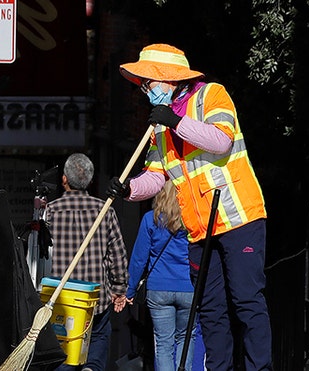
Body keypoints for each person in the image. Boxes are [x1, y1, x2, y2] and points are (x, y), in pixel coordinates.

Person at [109, 44, 270, 371]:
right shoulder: (159, 129)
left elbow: (221, 141)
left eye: (148, 83)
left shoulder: (211, 96)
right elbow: (155, 178)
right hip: (199, 229)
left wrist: (175, 121)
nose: (144, 91)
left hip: (238, 218)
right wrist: (128, 189)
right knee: (211, 310)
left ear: (169, 80)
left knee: (246, 302)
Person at [44, 152, 128, 371]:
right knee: (98, 341)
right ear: (91, 181)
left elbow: (39, 255)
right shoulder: (105, 210)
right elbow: (117, 254)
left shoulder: (49, 212)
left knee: (64, 348)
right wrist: (119, 289)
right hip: (95, 299)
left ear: (64, 179)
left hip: (62, 298)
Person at [119, 180, 202, 371]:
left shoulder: (150, 219)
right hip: (189, 287)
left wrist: (130, 290)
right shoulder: (192, 219)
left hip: (158, 289)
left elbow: (139, 258)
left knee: (163, 344)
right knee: (186, 338)